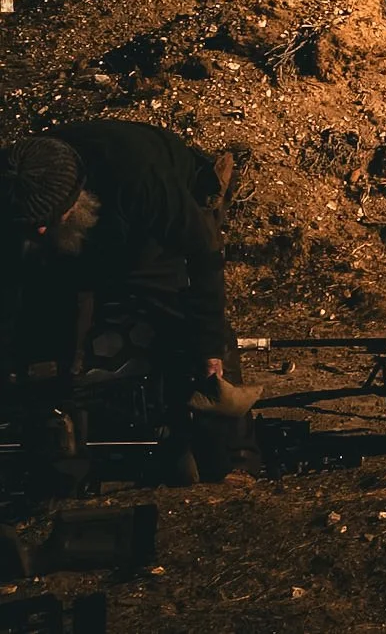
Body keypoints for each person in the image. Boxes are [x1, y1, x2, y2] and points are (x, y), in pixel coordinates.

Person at [0, 120, 259, 478]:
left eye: (48, 219)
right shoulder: (17, 183)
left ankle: (233, 460)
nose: (40, 229)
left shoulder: (141, 179)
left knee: (193, 333)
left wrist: (210, 345)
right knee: (50, 335)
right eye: (32, 223)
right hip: (81, 241)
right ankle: (60, 448)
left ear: (79, 195)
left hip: (154, 237)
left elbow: (203, 256)